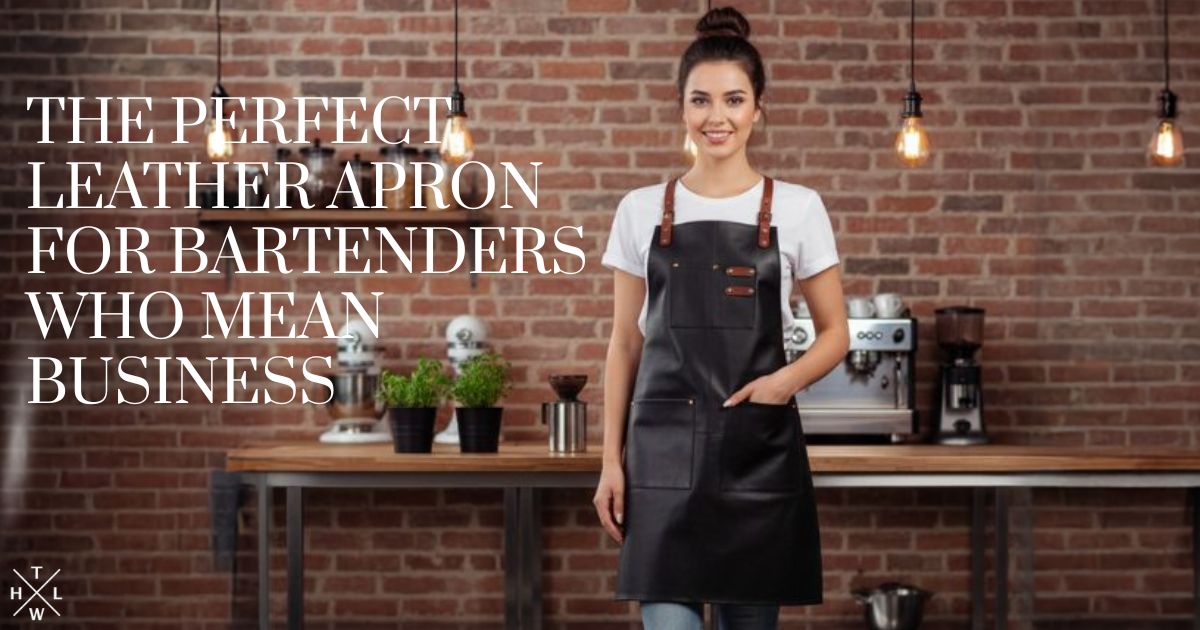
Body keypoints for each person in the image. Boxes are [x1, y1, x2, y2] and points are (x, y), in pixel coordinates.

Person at [594, 6, 850, 630]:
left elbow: (836, 334)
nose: (718, 117)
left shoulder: (799, 208)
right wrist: (610, 460)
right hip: (658, 457)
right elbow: (625, 343)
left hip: (754, 454)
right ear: (681, 108)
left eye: (734, 100)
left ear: (757, 109)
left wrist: (782, 384)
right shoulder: (639, 210)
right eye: (701, 100)